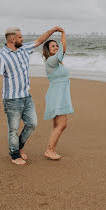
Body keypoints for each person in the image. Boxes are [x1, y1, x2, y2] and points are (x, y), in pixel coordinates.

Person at [0, 26, 63, 165]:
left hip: (26, 97)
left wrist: (52, 31)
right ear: (13, 39)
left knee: (32, 124)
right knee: (13, 129)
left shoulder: (24, 48)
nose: (23, 39)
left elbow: (40, 40)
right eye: (20, 37)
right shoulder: (1, 56)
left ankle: (19, 147)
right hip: (12, 99)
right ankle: (14, 155)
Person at [42, 29, 73, 160]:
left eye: (56, 45)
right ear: (48, 50)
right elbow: (63, 50)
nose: (56, 47)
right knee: (62, 124)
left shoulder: (56, 63)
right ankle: (49, 150)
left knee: (57, 124)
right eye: (53, 46)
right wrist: (63, 34)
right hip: (57, 96)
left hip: (59, 94)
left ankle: (51, 149)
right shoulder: (51, 61)